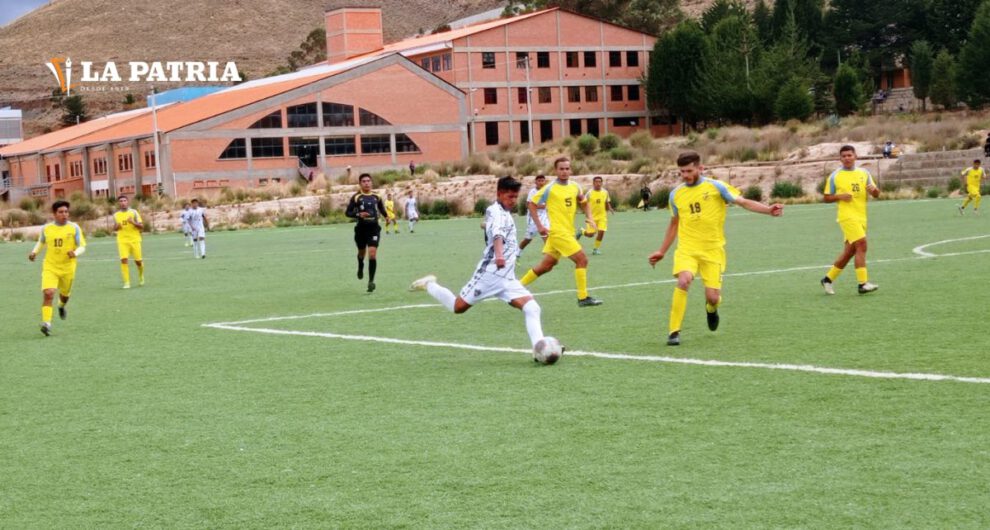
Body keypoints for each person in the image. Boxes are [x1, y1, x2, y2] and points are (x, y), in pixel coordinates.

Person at [648, 151, 784, 346]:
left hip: (713, 250)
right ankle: (673, 332)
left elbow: (743, 202)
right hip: (687, 249)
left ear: (700, 168)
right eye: (682, 172)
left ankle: (711, 309)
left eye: (689, 171)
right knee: (684, 281)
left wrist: (768, 210)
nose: (685, 175)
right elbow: (674, 224)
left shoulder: (716, 187)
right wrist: (662, 251)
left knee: (713, 298)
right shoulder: (675, 195)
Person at [409, 176, 546, 351]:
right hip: (490, 273)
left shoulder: (504, 213)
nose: (513, 200)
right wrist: (499, 255)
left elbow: (495, 229)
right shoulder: (495, 211)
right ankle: (429, 284)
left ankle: (540, 348)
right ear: (499, 194)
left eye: (515, 197)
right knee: (457, 307)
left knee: (532, 308)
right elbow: (497, 235)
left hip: (507, 277)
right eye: (510, 196)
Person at [519, 157, 603, 307]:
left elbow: (584, 203)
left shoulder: (575, 186)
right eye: (561, 169)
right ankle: (583, 297)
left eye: (567, 169)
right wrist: (539, 226)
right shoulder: (549, 188)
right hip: (558, 233)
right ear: (556, 171)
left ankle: (517, 287)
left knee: (546, 266)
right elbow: (531, 204)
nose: (564, 171)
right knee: (582, 260)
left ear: (570, 170)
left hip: (568, 232)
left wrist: (590, 218)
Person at [820, 145, 880, 295]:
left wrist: (874, 191)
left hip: (861, 216)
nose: (847, 158)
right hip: (847, 216)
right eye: (844, 156)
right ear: (840, 159)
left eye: (849, 155)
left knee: (850, 251)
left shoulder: (864, 173)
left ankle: (827, 279)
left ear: (855, 156)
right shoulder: (835, 176)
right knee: (862, 244)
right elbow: (826, 197)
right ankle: (862, 284)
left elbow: (876, 194)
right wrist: (839, 196)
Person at [28, 200, 87, 336]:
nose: (64, 214)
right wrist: (34, 252)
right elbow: (41, 242)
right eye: (61, 212)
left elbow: (82, 246)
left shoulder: (74, 228)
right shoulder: (47, 228)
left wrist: (75, 253)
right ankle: (46, 323)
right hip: (50, 266)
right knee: (48, 293)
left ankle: (61, 306)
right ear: (54, 214)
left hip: (68, 268)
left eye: (66, 212)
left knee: (64, 295)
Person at [345, 173, 387, 293]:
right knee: (361, 253)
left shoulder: (377, 196)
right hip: (361, 230)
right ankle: (360, 265)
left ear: (371, 182)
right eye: (364, 181)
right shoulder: (356, 197)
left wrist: (387, 217)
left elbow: (381, 208)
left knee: (372, 254)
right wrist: (358, 214)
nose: (366, 183)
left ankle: (371, 281)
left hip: (374, 229)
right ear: (360, 184)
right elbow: (348, 213)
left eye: (368, 181)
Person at [112, 195, 145, 289]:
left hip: (135, 240)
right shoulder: (116, 215)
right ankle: (127, 282)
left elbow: (141, 227)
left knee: (138, 262)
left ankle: (141, 275)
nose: (123, 203)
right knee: (124, 260)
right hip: (122, 241)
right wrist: (117, 227)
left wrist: (133, 222)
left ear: (128, 202)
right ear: (119, 203)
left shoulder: (134, 212)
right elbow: (114, 228)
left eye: (124, 200)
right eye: (121, 201)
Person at [578, 176, 615, 255]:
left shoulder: (605, 192)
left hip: (602, 216)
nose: (598, 183)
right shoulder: (589, 193)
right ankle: (582, 231)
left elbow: (606, 201)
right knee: (590, 234)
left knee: (601, 231)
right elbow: (583, 202)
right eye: (596, 182)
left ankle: (596, 249)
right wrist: (584, 211)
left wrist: (610, 208)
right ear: (593, 183)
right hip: (592, 217)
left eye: (599, 182)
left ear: (601, 183)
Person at [518, 174, 549, 254]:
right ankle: (517, 252)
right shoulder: (533, 192)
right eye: (539, 181)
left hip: (544, 216)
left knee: (547, 233)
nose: (541, 182)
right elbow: (528, 205)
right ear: (536, 182)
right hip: (533, 217)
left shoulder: (547, 191)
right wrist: (542, 206)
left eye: (542, 181)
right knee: (528, 238)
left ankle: (548, 252)